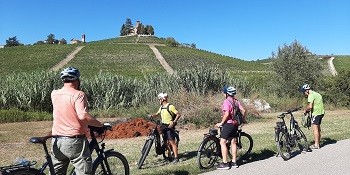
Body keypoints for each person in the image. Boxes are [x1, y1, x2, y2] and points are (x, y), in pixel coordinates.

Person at [51, 67, 104, 175]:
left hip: (56, 140)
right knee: (84, 172)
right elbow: (83, 116)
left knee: (57, 172)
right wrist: (100, 125)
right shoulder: (78, 94)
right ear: (76, 80)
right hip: (74, 141)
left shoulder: (54, 93)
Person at [215, 86, 246, 170]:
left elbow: (227, 114)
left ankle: (225, 163)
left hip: (228, 124)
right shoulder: (236, 101)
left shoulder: (226, 101)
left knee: (222, 142)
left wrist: (221, 123)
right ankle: (234, 162)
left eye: (224, 93)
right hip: (235, 125)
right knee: (233, 142)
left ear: (227, 93)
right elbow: (244, 110)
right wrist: (243, 119)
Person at [150, 92, 181, 163]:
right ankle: (169, 156)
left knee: (172, 142)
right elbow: (157, 114)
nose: (159, 101)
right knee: (165, 142)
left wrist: (173, 122)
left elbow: (178, 114)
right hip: (163, 126)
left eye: (159, 99)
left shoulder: (170, 106)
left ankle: (176, 158)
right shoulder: (161, 107)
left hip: (169, 126)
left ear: (162, 99)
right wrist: (152, 115)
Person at [300, 84, 325, 149]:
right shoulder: (317, 94)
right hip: (321, 112)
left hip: (316, 113)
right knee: (318, 128)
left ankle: (316, 144)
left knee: (315, 129)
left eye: (304, 92)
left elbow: (310, 106)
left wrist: (305, 110)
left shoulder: (311, 95)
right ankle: (318, 143)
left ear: (306, 91)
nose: (304, 94)